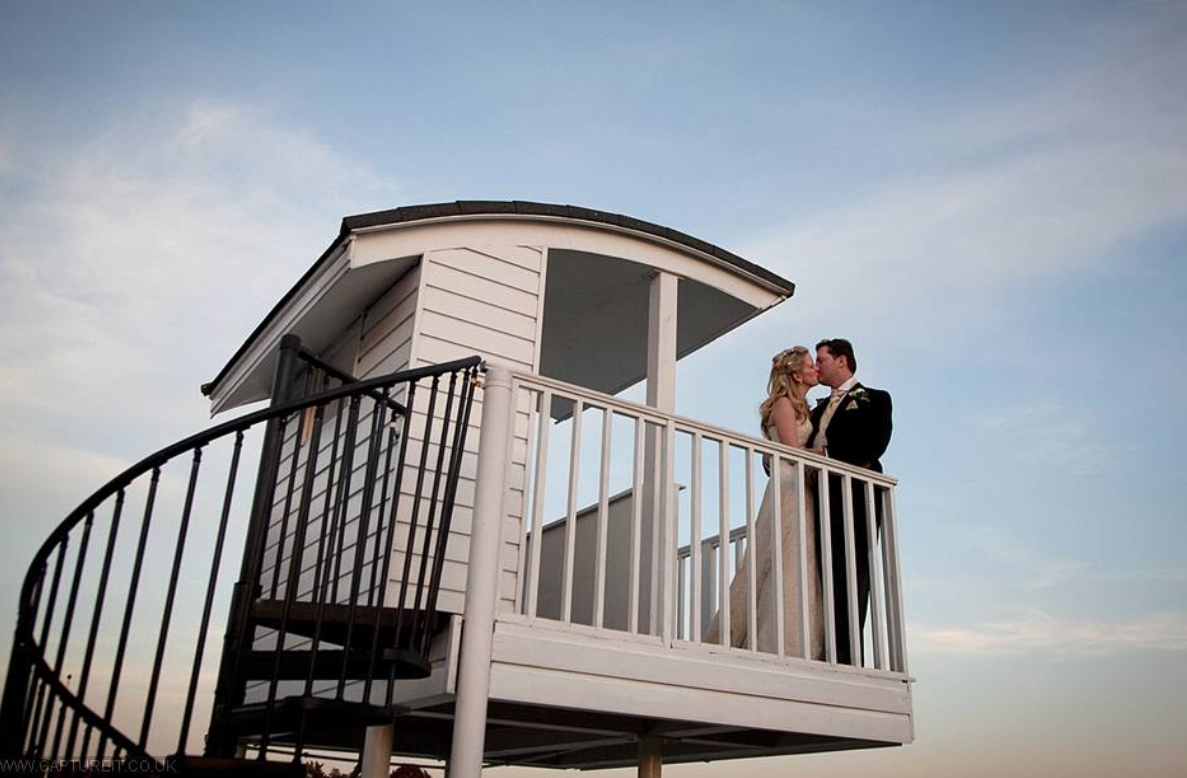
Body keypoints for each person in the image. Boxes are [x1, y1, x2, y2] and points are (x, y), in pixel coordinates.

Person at [704, 346, 824, 660]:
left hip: (801, 489)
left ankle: (798, 639)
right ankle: (768, 641)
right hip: (787, 489)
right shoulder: (784, 404)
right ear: (796, 374)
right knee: (780, 556)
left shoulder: (802, 406)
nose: (815, 370)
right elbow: (792, 452)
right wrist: (828, 453)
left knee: (798, 559)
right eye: (811, 365)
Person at [806, 338, 892, 666]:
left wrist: (824, 454)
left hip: (853, 500)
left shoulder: (875, 399)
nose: (817, 366)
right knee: (819, 576)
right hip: (815, 501)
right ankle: (817, 648)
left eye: (821, 360)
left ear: (842, 361)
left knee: (851, 575)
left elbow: (872, 444)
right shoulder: (815, 410)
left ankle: (846, 657)